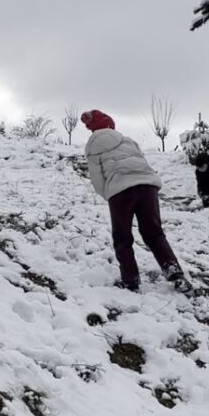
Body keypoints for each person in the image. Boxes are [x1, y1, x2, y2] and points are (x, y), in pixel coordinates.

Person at [81, 109, 187, 292]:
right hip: (147, 186)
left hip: (120, 190)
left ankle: (130, 279)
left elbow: (96, 178)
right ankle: (174, 272)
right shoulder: (128, 140)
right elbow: (143, 161)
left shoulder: (93, 144)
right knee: (154, 233)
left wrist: (108, 194)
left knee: (122, 237)